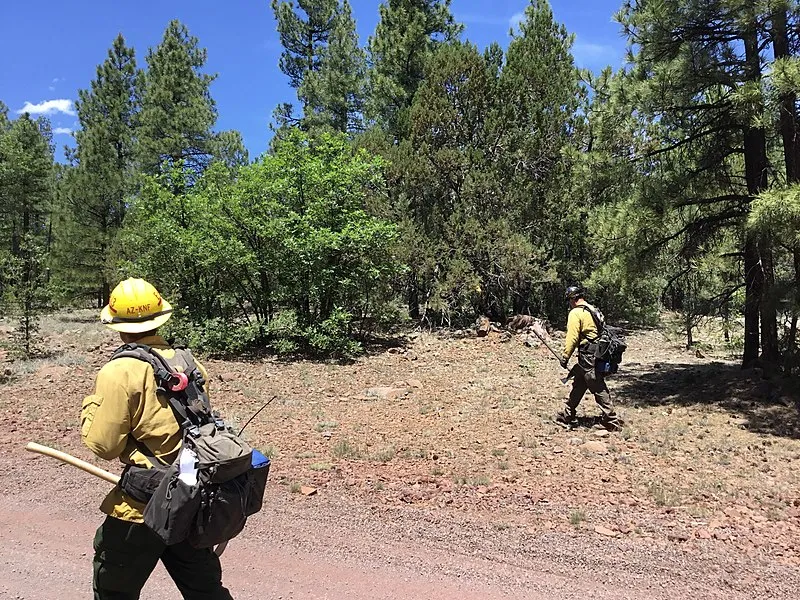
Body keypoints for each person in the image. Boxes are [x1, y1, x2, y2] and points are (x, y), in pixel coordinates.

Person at [81, 277, 234, 600]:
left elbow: (103, 446)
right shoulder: (189, 364)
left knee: (113, 591)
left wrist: (89, 409)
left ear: (116, 324)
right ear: (161, 316)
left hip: (142, 507)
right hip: (192, 495)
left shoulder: (119, 371)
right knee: (205, 590)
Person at [555, 285, 621, 430]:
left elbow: (572, 337)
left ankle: (611, 420)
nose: (569, 304)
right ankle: (567, 414)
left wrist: (565, 356)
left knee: (596, 383)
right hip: (597, 352)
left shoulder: (576, 313)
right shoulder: (592, 309)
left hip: (588, 355)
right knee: (580, 382)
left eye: (569, 301)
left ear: (572, 299)